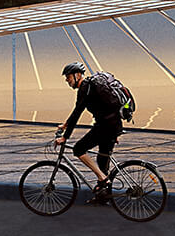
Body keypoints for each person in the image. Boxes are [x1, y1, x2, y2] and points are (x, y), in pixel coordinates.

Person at [55, 61, 131, 196]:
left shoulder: (85, 88)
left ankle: (102, 179)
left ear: (77, 75)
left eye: (68, 77)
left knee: (79, 149)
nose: (67, 80)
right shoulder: (92, 87)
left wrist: (65, 137)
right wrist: (66, 124)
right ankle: (103, 195)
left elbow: (77, 113)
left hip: (105, 127)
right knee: (102, 162)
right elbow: (77, 111)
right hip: (113, 125)